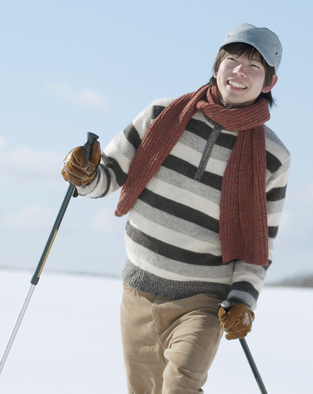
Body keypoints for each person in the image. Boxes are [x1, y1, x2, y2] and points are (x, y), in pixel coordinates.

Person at [60, 23, 291, 394]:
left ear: (269, 83)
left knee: (181, 387)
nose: (239, 72)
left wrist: (244, 300)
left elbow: (260, 244)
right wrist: (84, 174)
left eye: (254, 67)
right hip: (138, 289)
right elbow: (108, 178)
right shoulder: (160, 115)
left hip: (203, 301)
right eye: (232, 60)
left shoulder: (273, 157)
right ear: (217, 64)